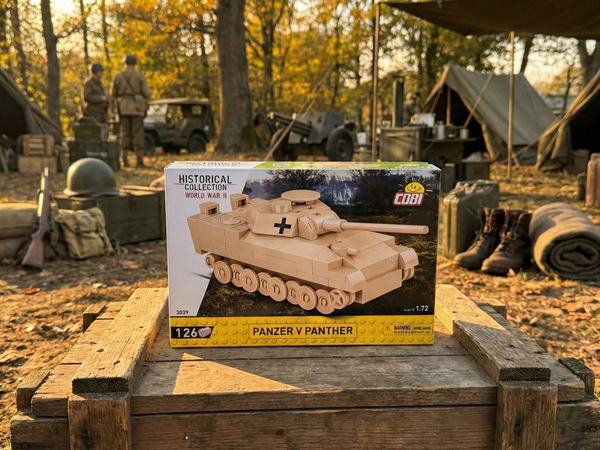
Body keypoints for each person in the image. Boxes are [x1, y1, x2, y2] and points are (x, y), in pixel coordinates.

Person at [110, 54, 152, 168]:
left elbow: (113, 93)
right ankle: (139, 161)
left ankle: (124, 160)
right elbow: (147, 93)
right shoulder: (139, 76)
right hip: (137, 108)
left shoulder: (118, 76)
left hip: (124, 108)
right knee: (138, 134)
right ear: (134, 63)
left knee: (124, 134)